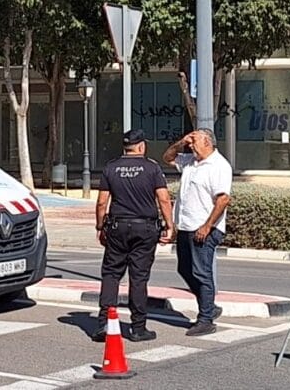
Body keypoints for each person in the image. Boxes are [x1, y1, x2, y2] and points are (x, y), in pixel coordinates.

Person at [92, 129, 175, 343]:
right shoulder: (152, 168)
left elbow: (102, 202)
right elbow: (164, 199)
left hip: (117, 227)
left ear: (125, 147)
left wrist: (100, 227)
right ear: (141, 146)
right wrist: (169, 225)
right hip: (145, 228)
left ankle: (104, 323)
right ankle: (138, 327)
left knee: (111, 274)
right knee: (138, 277)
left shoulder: (111, 167)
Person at [163, 128, 233, 337]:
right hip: (186, 225)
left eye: (194, 142)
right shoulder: (189, 161)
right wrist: (180, 142)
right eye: (190, 142)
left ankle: (206, 319)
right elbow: (167, 158)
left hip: (204, 228)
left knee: (202, 273)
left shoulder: (219, 165)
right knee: (185, 269)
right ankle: (208, 304)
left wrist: (207, 226)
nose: (191, 146)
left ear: (208, 143)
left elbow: (223, 199)